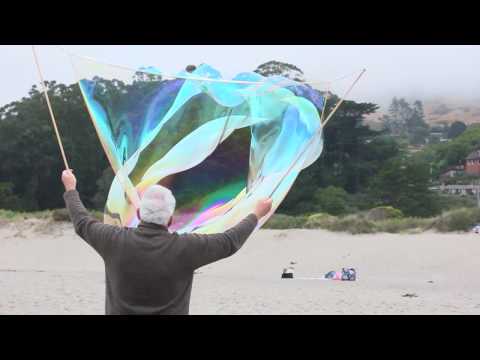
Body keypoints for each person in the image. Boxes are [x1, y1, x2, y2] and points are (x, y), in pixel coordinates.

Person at [61, 169, 272, 315]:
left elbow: (82, 221)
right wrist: (256, 214)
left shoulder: (114, 241)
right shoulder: (185, 248)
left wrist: (71, 189)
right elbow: (229, 242)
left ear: (139, 213)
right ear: (170, 220)